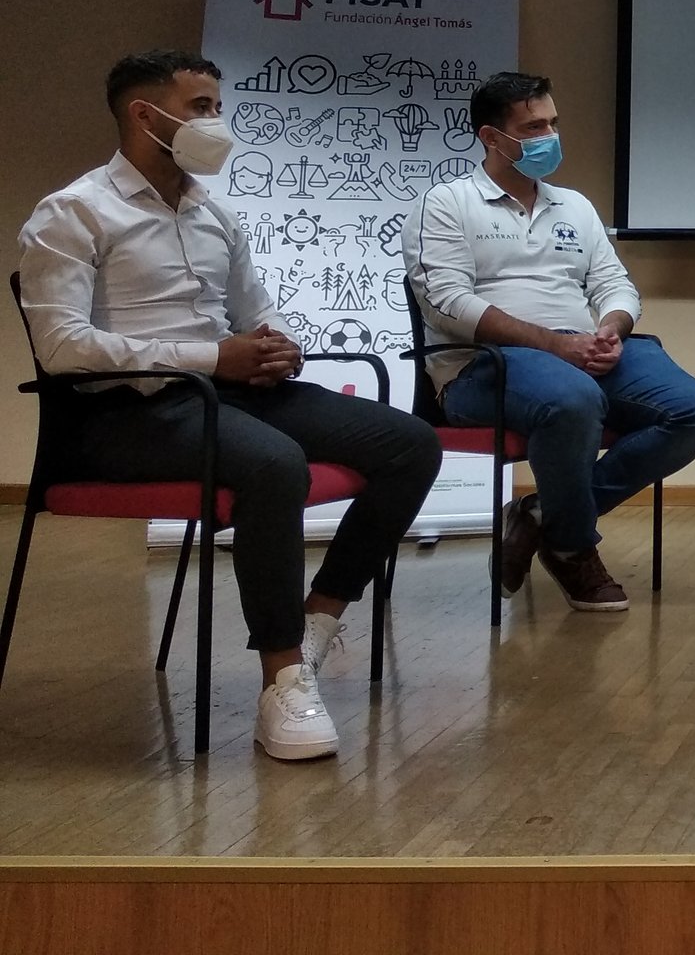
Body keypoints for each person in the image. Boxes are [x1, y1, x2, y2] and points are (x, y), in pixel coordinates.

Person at [17, 49, 442, 762]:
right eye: (201, 108)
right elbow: (63, 348)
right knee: (274, 464)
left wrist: (278, 345)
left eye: (217, 106)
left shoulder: (213, 211)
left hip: (231, 393)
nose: (217, 121)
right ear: (144, 115)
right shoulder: (74, 212)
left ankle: (317, 621)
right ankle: (282, 682)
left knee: (411, 443)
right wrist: (212, 358)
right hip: (124, 415)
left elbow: (255, 310)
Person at [406, 71, 695, 615]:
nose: (550, 136)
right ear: (491, 137)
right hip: (482, 366)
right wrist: (556, 348)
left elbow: (615, 284)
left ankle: (541, 517)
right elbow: (448, 305)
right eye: (534, 127)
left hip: (581, 350)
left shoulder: (574, 205)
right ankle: (573, 548)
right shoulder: (446, 203)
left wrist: (611, 329)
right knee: (573, 399)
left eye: (553, 123)